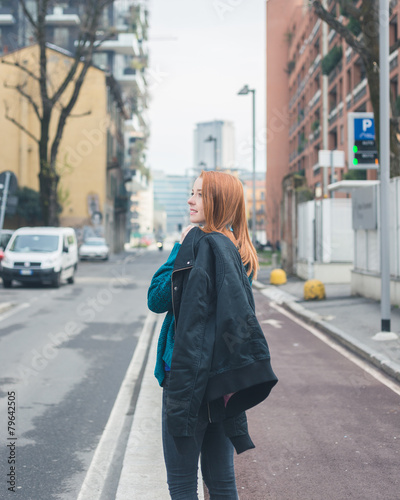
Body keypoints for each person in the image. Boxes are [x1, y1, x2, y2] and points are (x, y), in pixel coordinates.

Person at [148, 170, 278, 500]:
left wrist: (181, 243)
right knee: (220, 482)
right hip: (223, 386)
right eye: (191, 192)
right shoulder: (239, 252)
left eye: (200, 194)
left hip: (187, 381)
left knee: (181, 482)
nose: (190, 200)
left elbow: (157, 298)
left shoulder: (196, 247)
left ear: (218, 201)